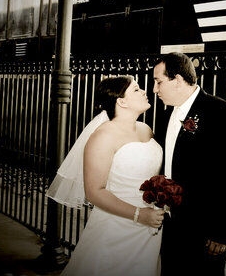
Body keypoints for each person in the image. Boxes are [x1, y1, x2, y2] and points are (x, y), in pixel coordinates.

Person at [46, 75, 165, 276]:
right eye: (136, 89)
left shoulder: (146, 130)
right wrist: (139, 214)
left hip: (151, 224)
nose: (145, 91)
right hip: (117, 225)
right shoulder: (102, 137)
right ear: (121, 101)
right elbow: (94, 192)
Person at [153, 52, 226, 276]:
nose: (155, 89)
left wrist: (223, 232)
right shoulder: (166, 115)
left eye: (158, 82)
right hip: (171, 226)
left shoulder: (220, 112)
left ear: (177, 80)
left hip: (205, 231)